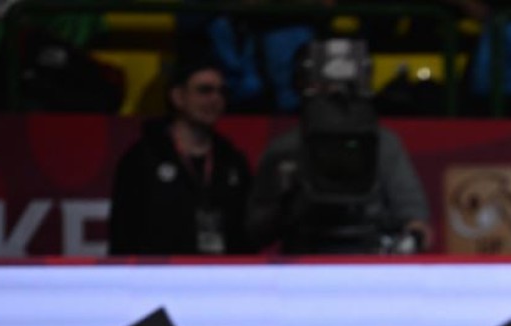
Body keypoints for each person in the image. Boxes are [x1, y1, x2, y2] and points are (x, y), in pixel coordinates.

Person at [246, 39, 431, 255]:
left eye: (347, 88)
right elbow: (254, 231)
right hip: (305, 257)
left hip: (369, 257)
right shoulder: (284, 149)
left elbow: (416, 221)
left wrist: (409, 240)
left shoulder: (385, 145)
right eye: (327, 89)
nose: (337, 95)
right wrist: (287, 203)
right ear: (306, 88)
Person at [108, 57, 253, 256]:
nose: (215, 99)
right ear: (178, 97)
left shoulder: (232, 160)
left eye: (222, 92)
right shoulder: (143, 157)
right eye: (204, 90)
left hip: (219, 272)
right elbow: (123, 234)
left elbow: (247, 234)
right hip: (159, 273)